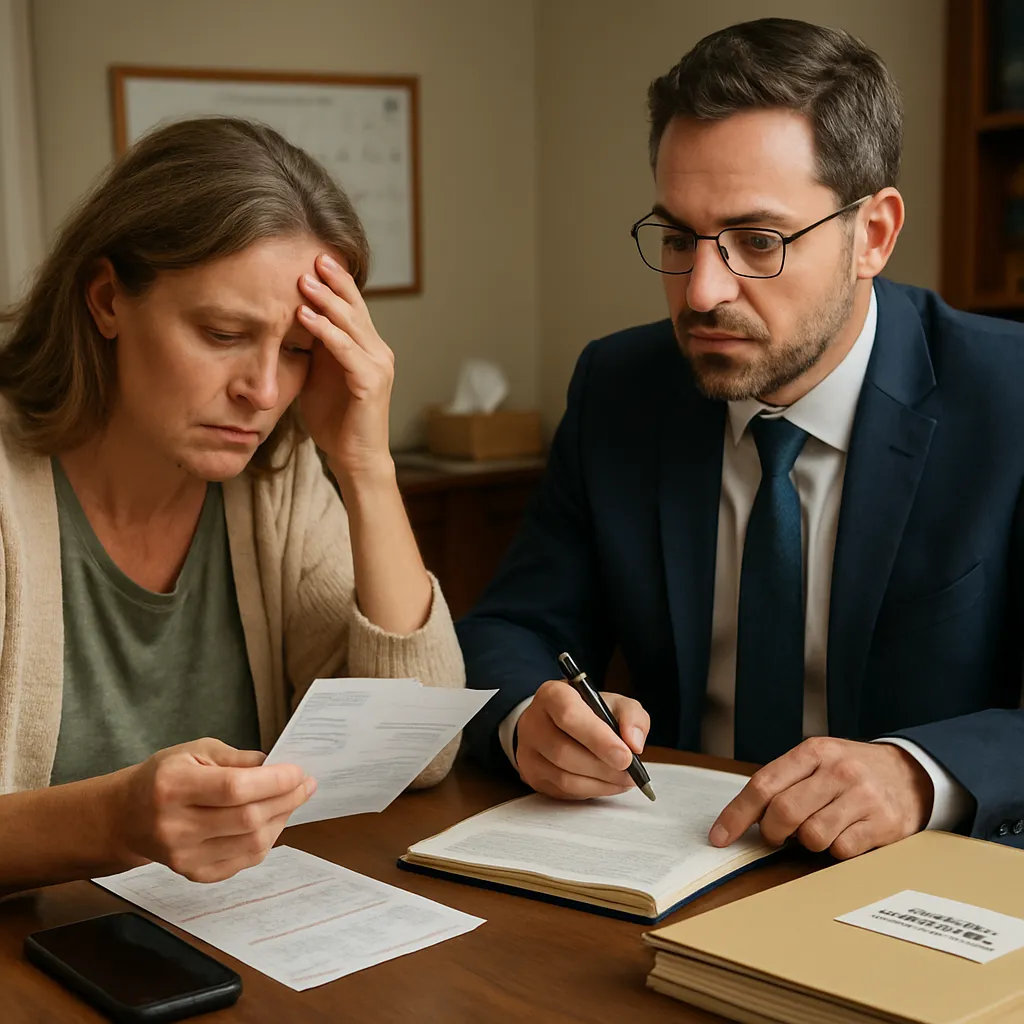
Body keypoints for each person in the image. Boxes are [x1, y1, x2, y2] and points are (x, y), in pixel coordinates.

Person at [459, 18, 1024, 858]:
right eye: (680, 238)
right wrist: (524, 719)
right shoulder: (621, 388)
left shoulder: (1009, 396)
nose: (701, 292)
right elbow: (512, 625)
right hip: (670, 858)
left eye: (758, 241)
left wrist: (919, 773)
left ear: (872, 234)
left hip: (921, 883)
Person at [0, 117, 464, 892]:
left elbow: (415, 751)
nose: (263, 391)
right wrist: (115, 821)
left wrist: (365, 464)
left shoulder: (274, 480)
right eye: (222, 333)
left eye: (296, 350)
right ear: (108, 299)